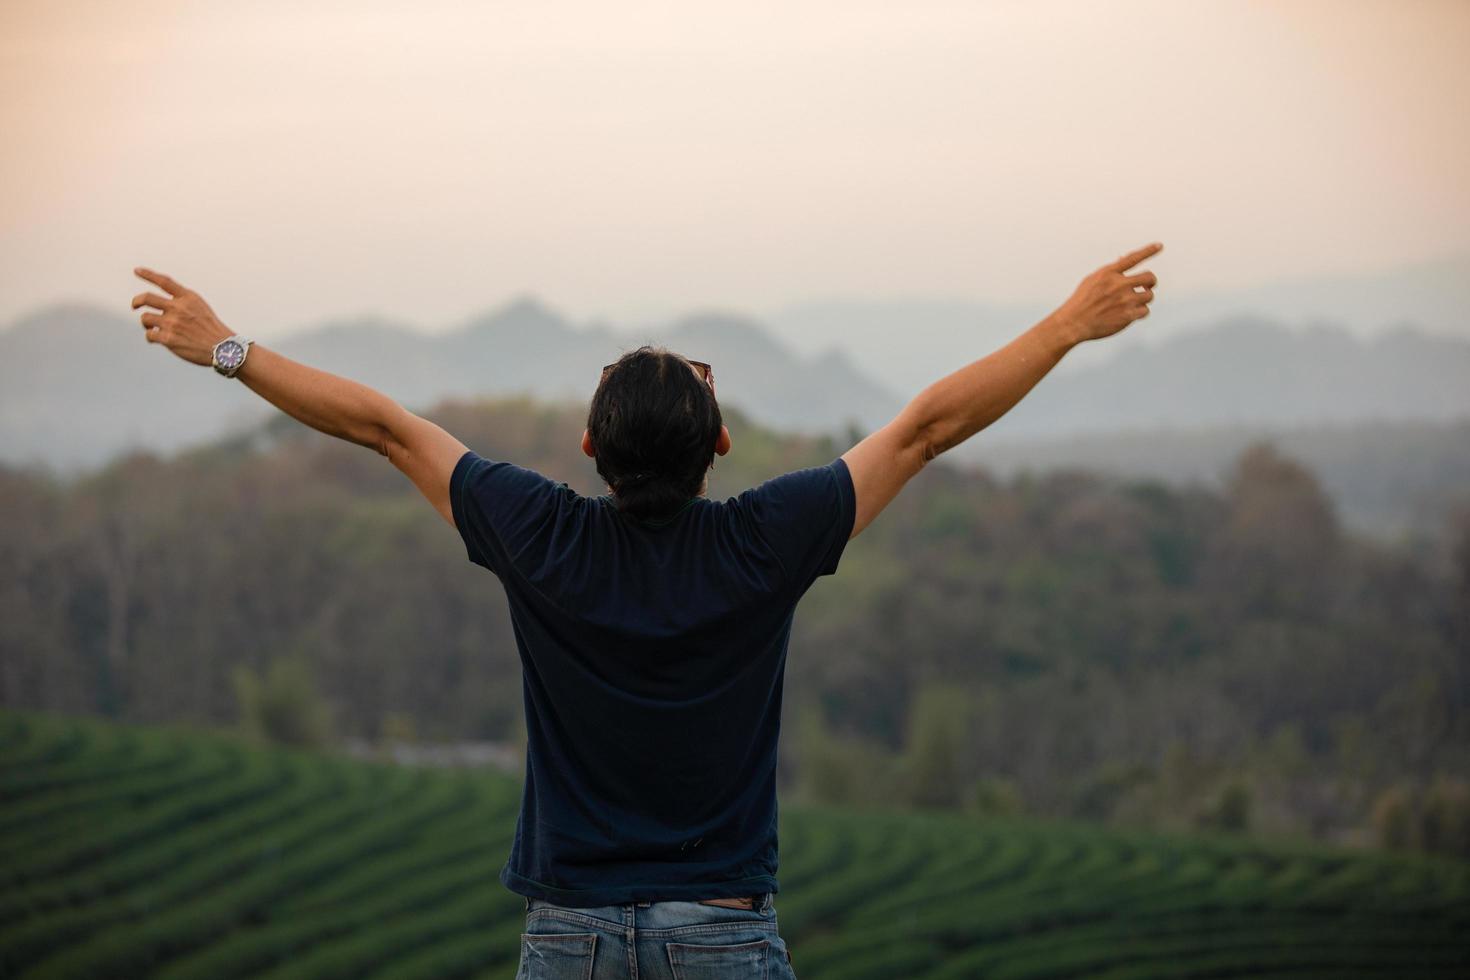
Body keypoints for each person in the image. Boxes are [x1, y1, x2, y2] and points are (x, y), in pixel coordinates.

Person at [129, 242, 1160, 979]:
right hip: (722, 931)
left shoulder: (540, 532)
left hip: (568, 938)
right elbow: (928, 428)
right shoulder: (768, 539)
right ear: (718, 447)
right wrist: (1069, 324)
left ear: (588, 448)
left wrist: (226, 347)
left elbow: (386, 428)